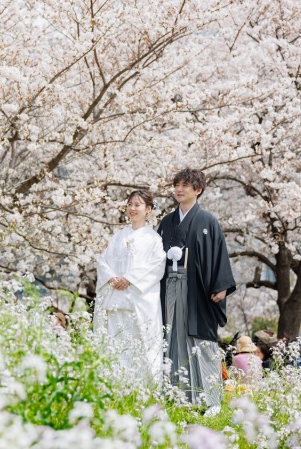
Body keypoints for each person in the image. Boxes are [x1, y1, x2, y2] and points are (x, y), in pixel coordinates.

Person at [158, 168, 236, 411]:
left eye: (185, 186)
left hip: (197, 292)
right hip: (168, 285)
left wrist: (221, 286)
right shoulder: (166, 222)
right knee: (170, 337)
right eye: (176, 185)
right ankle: (176, 397)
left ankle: (210, 399)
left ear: (198, 190)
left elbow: (218, 254)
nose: (179, 190)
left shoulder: (208, 221)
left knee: (200, 341)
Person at [94, 189, 166, 383]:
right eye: (129, 204)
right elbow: (103, 260)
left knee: (140, 346)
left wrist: (130, 279)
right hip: (115, 300)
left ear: (148, 209)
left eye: (137, 205)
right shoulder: (118, 236)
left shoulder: (154, 239)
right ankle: (114, 387)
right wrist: (110, 277)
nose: (132, 208)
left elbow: (157, 265)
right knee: (115, 344)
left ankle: (142, 391)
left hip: (137, 302)